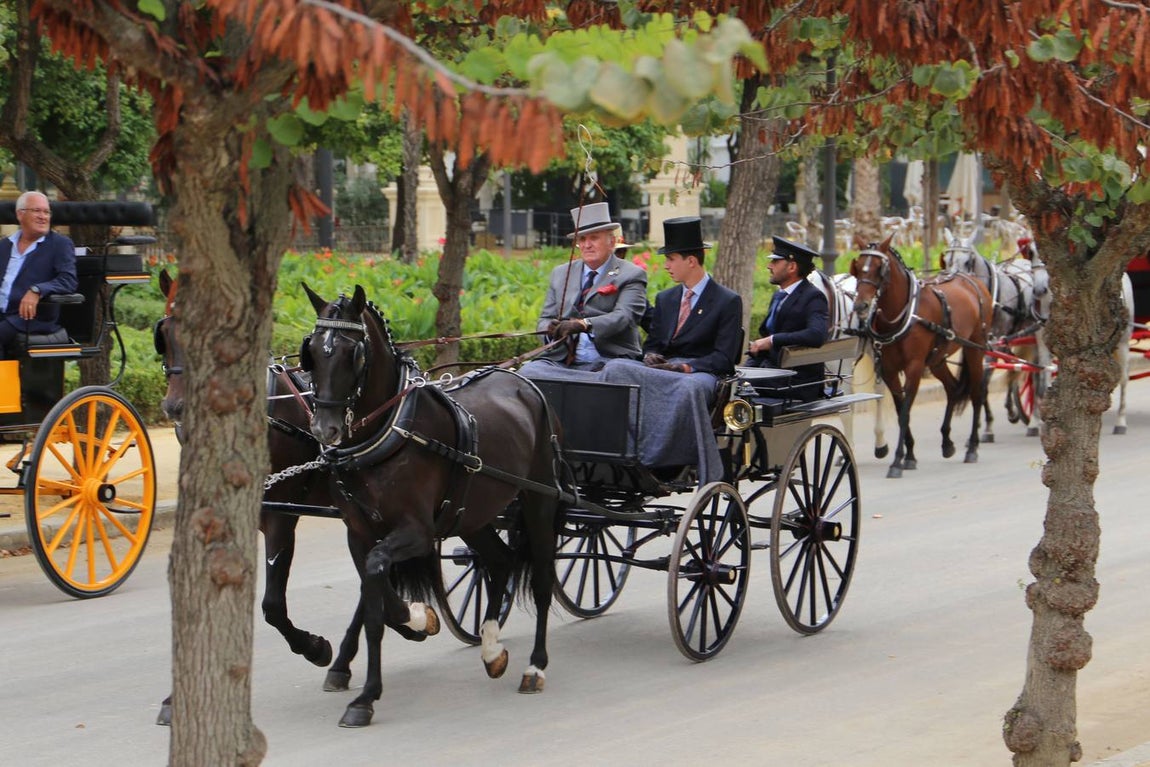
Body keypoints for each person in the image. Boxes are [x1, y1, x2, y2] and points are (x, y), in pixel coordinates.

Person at [531, 201, 647, 370]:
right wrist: (550, 330)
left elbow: (624, 317)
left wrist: (585, 324)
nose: (587, 245)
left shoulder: (631, 274)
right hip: (562, 360)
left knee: (612, 376)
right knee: (530, 372)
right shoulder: (560, 273)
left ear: (612, 242)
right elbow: (545, 318)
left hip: (610, 359)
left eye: (594, 238)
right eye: (582, 239)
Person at [640, 216, 742, 376]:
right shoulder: (665, 299)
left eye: (671, 259)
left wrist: (685, 367)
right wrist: (650, 355)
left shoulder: (727, 301)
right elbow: (652, 344)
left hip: (698, 374)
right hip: (662, 371)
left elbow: (724, 358)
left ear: (691, 261)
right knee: (616, 367)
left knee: (687, 389)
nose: (666, 266)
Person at [744, 235, 829, 401]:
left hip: (797, 380)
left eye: (775, 262)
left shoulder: (813, 297)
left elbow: (817, 334)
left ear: (792, 267)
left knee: (739, 386)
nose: (769, 266)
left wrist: (773, 340)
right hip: (771, 370)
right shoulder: (779, 295)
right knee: (726, 382)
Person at [0, 191, 78, 359]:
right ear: (20, 214)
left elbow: (68, 280)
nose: (43, 217)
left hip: (28, 318)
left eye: (46, 212)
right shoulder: (4, 246)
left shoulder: (59, 244)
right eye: (37, 211)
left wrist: (37, 289)